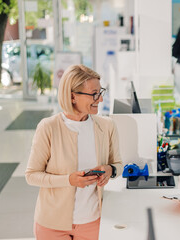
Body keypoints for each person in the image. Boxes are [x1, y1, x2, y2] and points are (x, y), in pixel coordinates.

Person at [25, 64, 123, 240]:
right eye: (94, 94)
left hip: (93, 222)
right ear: (72, 96)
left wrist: (110, 170)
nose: (100, 100)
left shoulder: (107, 126)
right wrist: (69, 180)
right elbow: (32, 175)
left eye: (100, 92)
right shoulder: (48, 127)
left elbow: (118, 164)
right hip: (51, 225)